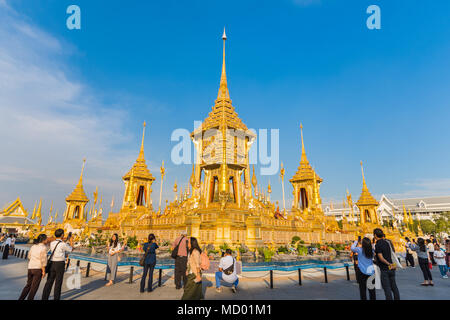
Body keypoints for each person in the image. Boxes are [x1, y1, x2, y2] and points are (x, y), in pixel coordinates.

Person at [42, 229, 73, 300]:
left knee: (49, 281)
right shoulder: (63, 244)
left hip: (52, 263)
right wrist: (71, 241)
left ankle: (44, 298)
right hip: (60, 264)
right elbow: (71, 249)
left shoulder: (52, 243)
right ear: (62, 235)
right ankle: (56, 298)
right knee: (58, 283)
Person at [19, 234, 48, 300]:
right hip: (38, 269)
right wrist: (43, 271)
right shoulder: (43, 247)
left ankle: (21, 298)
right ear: (43, 240)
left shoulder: (33, 246)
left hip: (30, 267)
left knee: (28, 285)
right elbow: (43, 260)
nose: (47, 240)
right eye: (46, 239)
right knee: (34, 287)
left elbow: (29, 256)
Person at [374, 228, 400, 300]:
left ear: (375, 235)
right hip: (392, 268)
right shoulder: (387, 242)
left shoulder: (378, 245)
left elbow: (381, 258)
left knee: (387, 288)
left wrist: (389, 264)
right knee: (394, 286)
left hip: (385, 268)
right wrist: (392, 264)